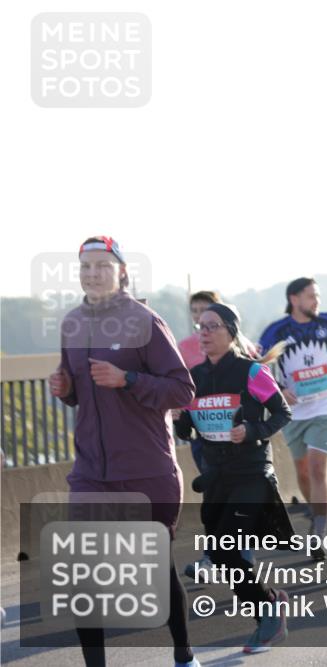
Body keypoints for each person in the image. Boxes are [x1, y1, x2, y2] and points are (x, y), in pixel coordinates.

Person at [49, 236, 198, 667]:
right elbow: (81, 395)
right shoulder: (72, 324)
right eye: (85, 266)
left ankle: (184, 654)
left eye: (101, 265)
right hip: (91, 472)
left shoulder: (145, 322)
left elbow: (182, 390)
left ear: (122, 272)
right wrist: (65, 390)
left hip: (145, 469)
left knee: (157, 568)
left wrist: (129, 379)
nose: (92, 273)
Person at [173, 303, 295, 652]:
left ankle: (269, 617)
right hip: (217, 475)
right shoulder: (193, 376)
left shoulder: (250, 372)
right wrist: (181, 416)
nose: (204, 333)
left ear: (230, 332)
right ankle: (269, 609)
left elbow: (282, 413)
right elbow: (188, 430)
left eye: (212, 326)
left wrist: (251, 430)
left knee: (227, 549)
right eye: (200, 327)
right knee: (226, 557)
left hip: (252, 472)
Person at [259, 277, 327, 561]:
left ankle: (319, 533)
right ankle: (316, 513)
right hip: (294, 412)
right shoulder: (277, 330)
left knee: (316, 465)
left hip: (326, 408)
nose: (317, 301)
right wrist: (278, 390)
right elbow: (259, 366)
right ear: (294, 299)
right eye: (311, 296)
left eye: (318, 296)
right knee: (302, 471)